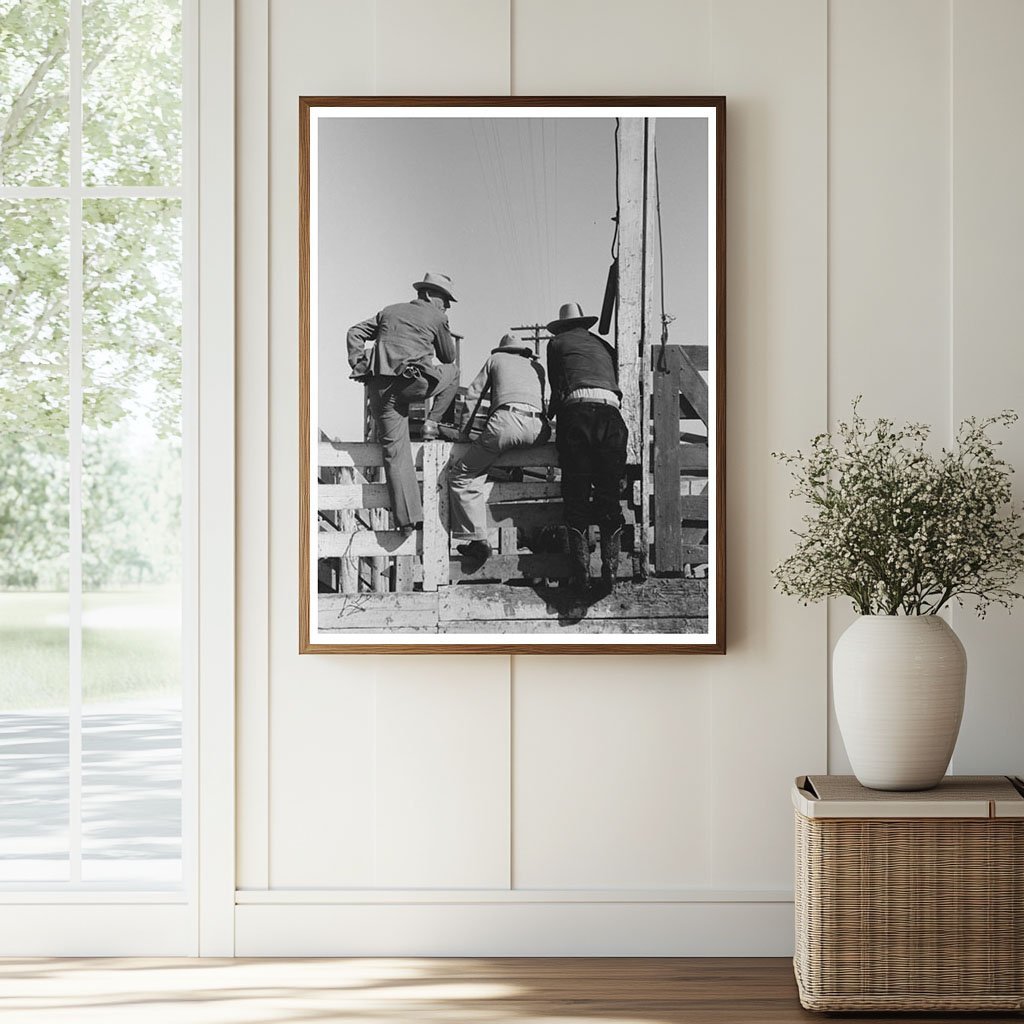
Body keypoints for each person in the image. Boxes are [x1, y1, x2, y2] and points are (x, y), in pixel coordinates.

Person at [347, 272, 461, 533]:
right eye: (445, 299)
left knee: (395, 451)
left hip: (380, 387)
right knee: (454, 372)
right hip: (413, 383)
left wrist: (359, 362)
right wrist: (442, 325)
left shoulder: (388, 311)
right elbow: (447, 357)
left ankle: (408, 521)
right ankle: (433, 423)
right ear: (431, 295)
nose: (447, 306)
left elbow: (354, 332)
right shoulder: (437, 316)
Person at [545, 301, 628, 592]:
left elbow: (557, 387)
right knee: (609, 495)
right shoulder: (604, 346)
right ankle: (612, 570)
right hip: (611, 414)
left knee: (576, 494)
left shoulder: (556, 343)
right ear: (584, 324)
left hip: (577, 413)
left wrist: (549, 417)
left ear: (562, 325)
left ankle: (581, 573)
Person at [448, 334, 550, 563]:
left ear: (503, 349)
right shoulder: (537, 366)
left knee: (462, 475)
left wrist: (464, 432)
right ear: (523, 351)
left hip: (506, 423)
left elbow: (473, 395)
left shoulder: (496, 360)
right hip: (539, 429)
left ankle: (477, 539)